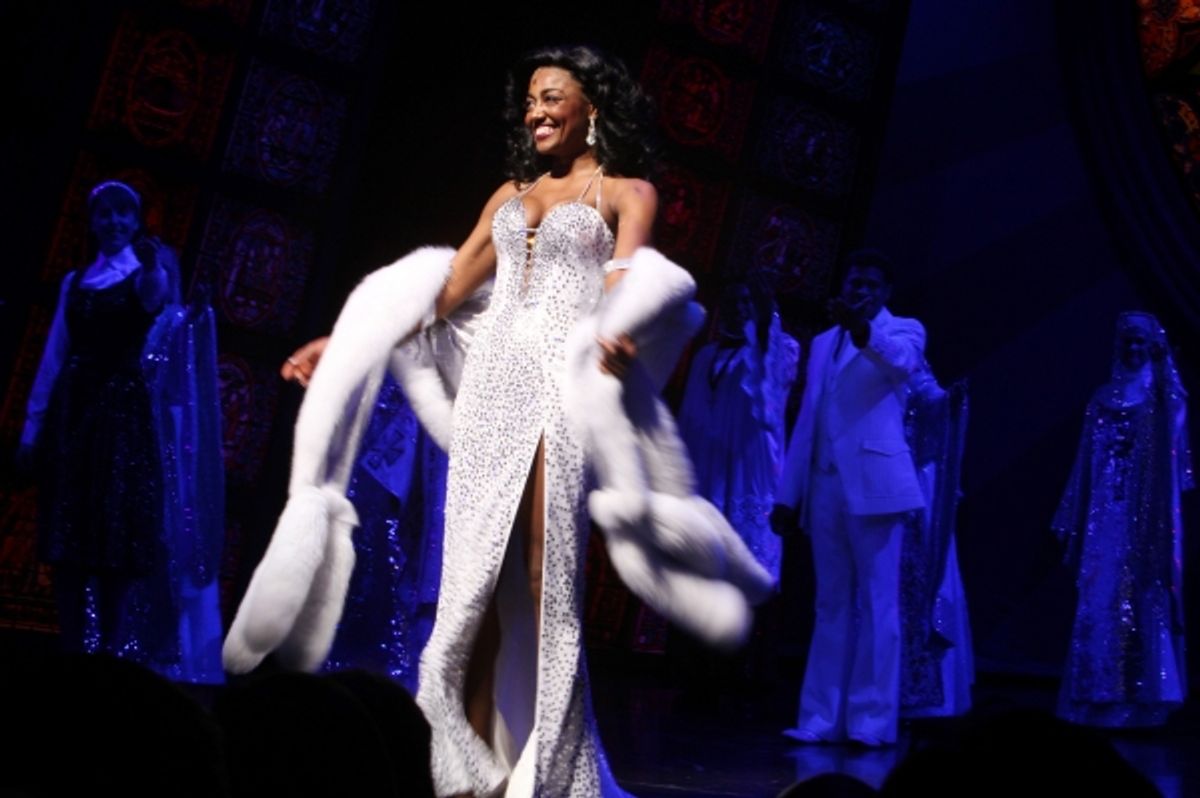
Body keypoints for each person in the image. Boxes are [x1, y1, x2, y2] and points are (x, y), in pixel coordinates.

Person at [225, 44, 772, 798]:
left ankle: (553, 767)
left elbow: (629, 281)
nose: (536, 112)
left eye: (552, 97)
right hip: (491, 388)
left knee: (546, 572)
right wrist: (349, 342)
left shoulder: (627, 192)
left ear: (592, 108)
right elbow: (448, 289)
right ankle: (462, 760)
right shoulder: (511, 195)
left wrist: (619, 331)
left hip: (562, 388)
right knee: (473, 573)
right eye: (530, 101)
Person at [18, 179, 224, 681]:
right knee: (67, 532)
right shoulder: (76, 281)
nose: (113, 222)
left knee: (114, 534)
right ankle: (71, 650)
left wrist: (152, 268)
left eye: (123, 214)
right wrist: (31, 427)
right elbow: (54, 355)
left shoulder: (145, 273)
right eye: (104, 214)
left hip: (120, 415)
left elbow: (155, 303)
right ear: (92, 222)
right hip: (74, 412)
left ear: (135, 222)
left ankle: (107, 658)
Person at [771, 249, 926, 747]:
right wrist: (789, 494)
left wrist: (862, 329)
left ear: (885, 293)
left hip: (875, 484)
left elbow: (901, 364)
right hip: (825, 484)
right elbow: (809, 418)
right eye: (854, 283)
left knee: (879, 603)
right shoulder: (823, 342)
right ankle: (820, 718)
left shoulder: (904, 331)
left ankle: (871, 722)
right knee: (831, 603)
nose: (860, 291)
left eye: (870, 286)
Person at [1053, 311, 1192, 727]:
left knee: (1141, 594)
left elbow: (1174, 423)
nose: (1133, 348)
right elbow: (1085, 459)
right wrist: (1073, 511)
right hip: (1106, 513)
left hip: (1145, 513)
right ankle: (1096, 696)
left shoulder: (1161, 395)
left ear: (1151, 347)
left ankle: (1142, 703)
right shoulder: (1102, 397)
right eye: (1128, 341)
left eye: (1140, 342)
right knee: (1100, 595)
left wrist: (1165, 370)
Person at [678, 279, 800, 583]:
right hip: (708, 463)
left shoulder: (780, 351)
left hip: (749, 464)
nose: (740, 309)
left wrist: (764, 331)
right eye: (733, 302)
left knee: (743, 570)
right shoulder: (706, 356)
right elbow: (690, 414)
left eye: (747, 302)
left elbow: (771, 400)